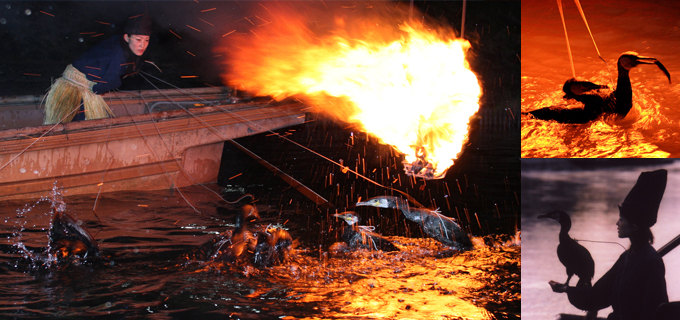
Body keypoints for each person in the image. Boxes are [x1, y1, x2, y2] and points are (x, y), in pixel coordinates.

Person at [548, 169, 669, 320]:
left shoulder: (651, 261)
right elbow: (598, 295)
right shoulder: (627, 257)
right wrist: (565, 288)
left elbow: (657, 312)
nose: (617, 223)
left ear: (635, 226)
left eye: (621, 219)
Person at [42, 13, 152, 124]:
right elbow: (102, 86)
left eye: (147, 40)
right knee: (74, 126)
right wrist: (98, 88)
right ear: (126, 37)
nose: (142, 45)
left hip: (74, 83)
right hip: (76, 89)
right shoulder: (118, 54)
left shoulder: (117, 42)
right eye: (138, 39)